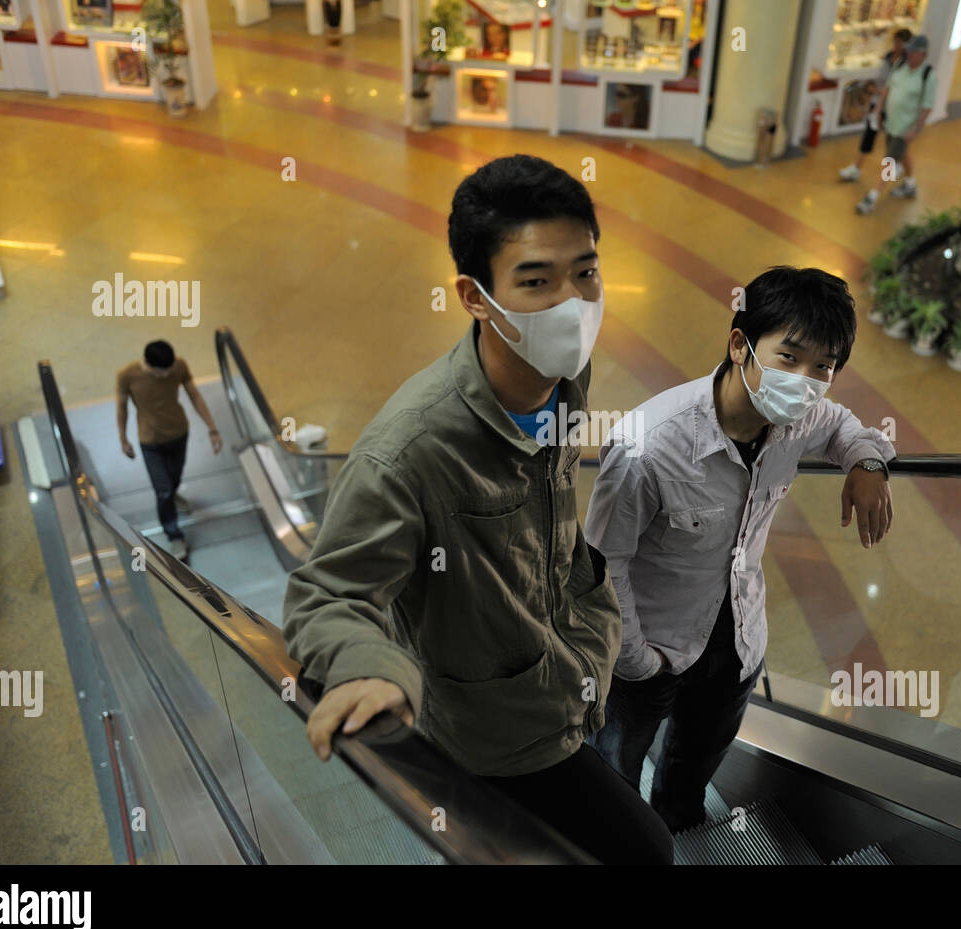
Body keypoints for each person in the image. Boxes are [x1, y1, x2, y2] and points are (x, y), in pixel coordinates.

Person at [282, 155, 673, 865]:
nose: (573, 303)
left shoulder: (563, 376)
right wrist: (372, 666)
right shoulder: (409, 451)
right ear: (472, 295)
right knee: (644, 852)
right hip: (497, 741)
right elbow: (326, 594)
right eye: (535, 281)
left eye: (585, 272)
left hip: (574, 679)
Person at [585, 266, 895, 833]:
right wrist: (636, 661)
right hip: (647, 648)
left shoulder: (798, 419)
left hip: (737, 641)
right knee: (615, 771)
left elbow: (843, 424)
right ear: (739, 345)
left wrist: (868, 462)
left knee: (693, 767)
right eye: (789, 357)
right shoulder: (648, 447)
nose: (805, 380)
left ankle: (678, 826)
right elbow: (603, 563)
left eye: (822, 367)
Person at [116, 340, 223, 562]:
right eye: (161, 371)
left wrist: (212, 429)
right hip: (150, 440)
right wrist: (123, 439)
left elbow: (194, 395)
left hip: (178, 433)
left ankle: (174, 495)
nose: (167, 375)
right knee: (162, 490)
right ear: (148, 364)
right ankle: (174, 534)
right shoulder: (127, 375)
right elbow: (121, 407)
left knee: (174, 478)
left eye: (169, 369)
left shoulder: (178, 366)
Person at [856, 33, 935, 215]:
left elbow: (927, 107)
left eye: (913, 52)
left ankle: (874, 195)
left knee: (890, 160)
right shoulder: (900, 66)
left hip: (906, 127)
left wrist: (916, 129)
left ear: (922, 54)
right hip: (891, 122)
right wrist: (878, 109)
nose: (908, 55)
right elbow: (887, 88)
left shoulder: (928, 77)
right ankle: (910, 184)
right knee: (902, 154)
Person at [839, 27, 913, 183]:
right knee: (869, 135)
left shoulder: (907, 66)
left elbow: (898, 89)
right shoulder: (887, 58)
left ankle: (901, 177)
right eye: (896, 41)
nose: (897, 45)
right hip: (879, 105)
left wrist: (879, 92)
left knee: (895, 143)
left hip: (893, 108)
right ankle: (858, 168)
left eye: (901, 42)